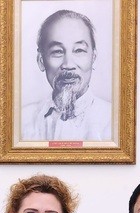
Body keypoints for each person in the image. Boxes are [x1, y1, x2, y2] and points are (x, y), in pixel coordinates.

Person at [21, 9, 112, 141]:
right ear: (41, 61)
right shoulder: (22, 121)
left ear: (93, 58)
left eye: (79, 50)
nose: (68, 64)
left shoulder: (114, 121)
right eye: (57, 51)